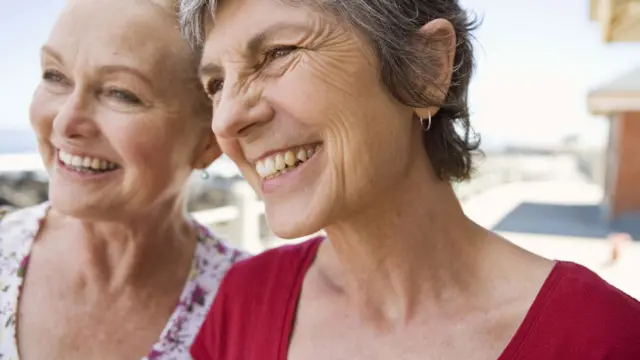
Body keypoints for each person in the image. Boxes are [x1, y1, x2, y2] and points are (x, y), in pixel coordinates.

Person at [179, 0, 640, 359]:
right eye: (216, 84)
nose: (228, 119)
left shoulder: (603, 338)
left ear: (426, 67)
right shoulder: (242, 304)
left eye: (278, 53)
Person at [0, 0, 247, 358]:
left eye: (121, 93)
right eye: (55, 76)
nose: (64, 123)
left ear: (210, 140)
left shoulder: (251, 309)